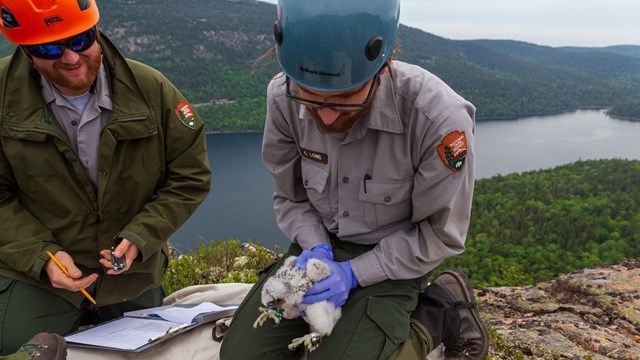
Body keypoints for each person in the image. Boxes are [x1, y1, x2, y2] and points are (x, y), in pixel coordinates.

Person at [220, 0, 488, 359]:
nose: (327, 118)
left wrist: (354, 273)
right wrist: (316, 247)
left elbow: (439, 234)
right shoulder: (282, 96)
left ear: (384, 62)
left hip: (394, 259)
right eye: (312, 99)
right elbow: (291, 198)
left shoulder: (439, 122)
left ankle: (438, 312)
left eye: (346, 97)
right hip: (319, 246)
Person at [0, 0, 211, 356]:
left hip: (131, 271)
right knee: (14, 345)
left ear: (96, 30)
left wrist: (141, 236)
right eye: (49, 48)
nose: (70, 58)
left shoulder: (151, 90)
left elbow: (189, 176)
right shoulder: (3, 95)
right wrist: (42, 257)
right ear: (25, 49)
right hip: (38, 272)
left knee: (156, 351)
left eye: (81, 40)